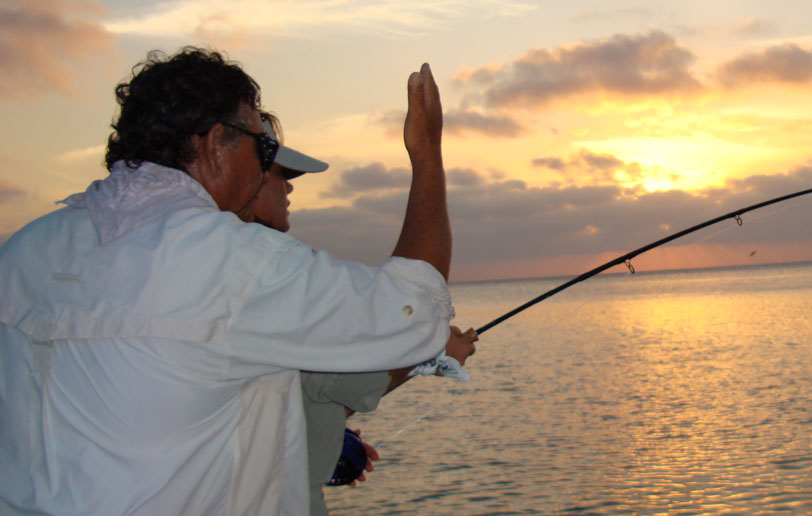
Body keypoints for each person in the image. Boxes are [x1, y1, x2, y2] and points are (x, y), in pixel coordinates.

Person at [0, 47, 475, 515]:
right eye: (263, 147)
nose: (268, 167)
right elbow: (413, 309)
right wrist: (427, 155)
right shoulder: (231, 262)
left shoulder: (22, 252)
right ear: (212, 145)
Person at [250, 115, 436, 515]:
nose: (290, 184)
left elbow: (303, 392)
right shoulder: (276, 284)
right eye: (280, 171)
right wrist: (427, 157)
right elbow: (414, 312)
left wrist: (329, 435)